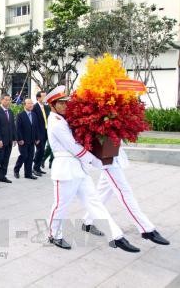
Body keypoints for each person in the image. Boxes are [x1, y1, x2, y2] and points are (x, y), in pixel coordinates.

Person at [45, 86, 140, 252]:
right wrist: (96, 162)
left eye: (65, 102)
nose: (65, 106)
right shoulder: (56, 123)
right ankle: (54, 234)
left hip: (79, 169)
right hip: (65, 170)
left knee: (94, 202)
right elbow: (73, 147)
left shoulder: (64, 119)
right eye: (60, 103)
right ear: (52, 106)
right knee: (60, 206)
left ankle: (116, 237)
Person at [82, 148, 170, 245]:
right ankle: (147, 229)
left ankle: (87, 222)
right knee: (125, 192)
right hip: (105, 155)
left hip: (111, 151)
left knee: (103, 192)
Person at [13, 98, 41, 180]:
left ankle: (28, 174)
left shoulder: (34, 115)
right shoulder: (20, 115)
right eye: (29, 103)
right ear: (24, 105)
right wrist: (19, 139)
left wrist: (37, 138)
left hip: (32, 140)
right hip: (23, 140)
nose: (31, 105)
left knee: (30, 157)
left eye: (32, 103)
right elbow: (18, 128)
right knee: (24, 155)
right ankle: (16, 170)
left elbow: (36, 127)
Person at [0, 93, 16, 184]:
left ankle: (2, 176)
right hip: (0, 140)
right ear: (1, 100)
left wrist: (14, 138)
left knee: (6, 159)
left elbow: (13, 126)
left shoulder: (10, 111)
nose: (7, 101)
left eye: (9, 99)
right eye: (5, 99)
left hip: (9, 140)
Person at [33, 91, 49, 175]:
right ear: (38, 98)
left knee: (42, 151)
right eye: (43, 96)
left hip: (46, 132)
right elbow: (34, 123)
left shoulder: (46, 107)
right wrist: (36, 136)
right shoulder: (35, 107)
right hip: (39, 133)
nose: (45, 98)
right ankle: (35, 168)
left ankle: (38, 167)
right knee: (39, 150)